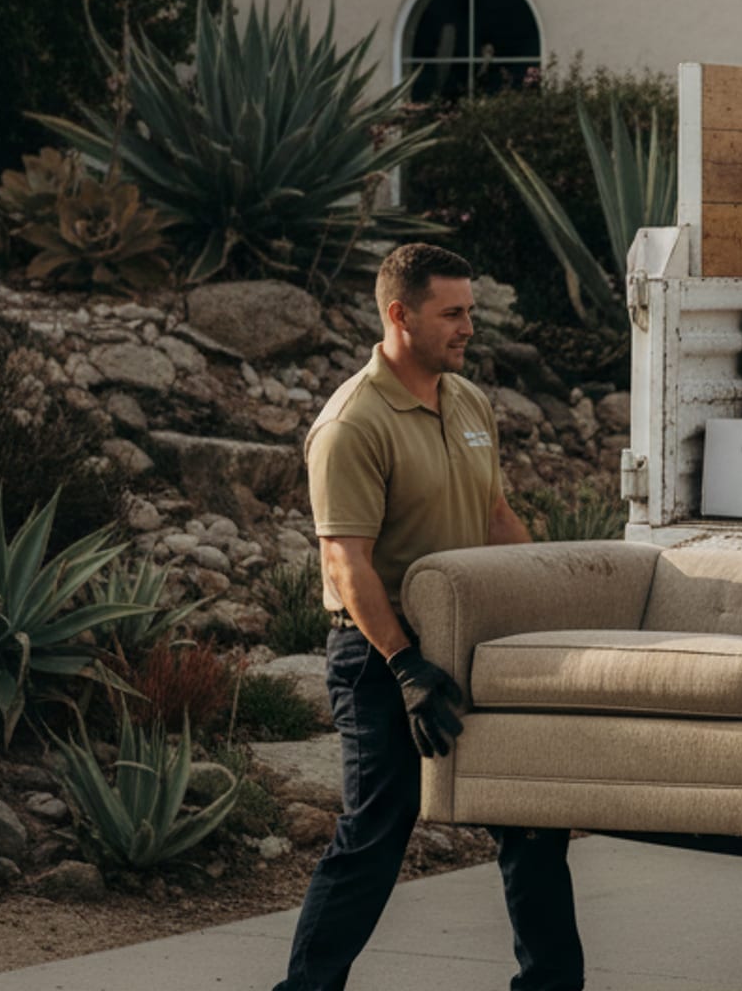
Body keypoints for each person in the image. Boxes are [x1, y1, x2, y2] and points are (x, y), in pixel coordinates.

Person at [275, 243, 584, 991]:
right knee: (377, 832)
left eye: (470, 311)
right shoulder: (352, 423)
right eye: (452, 313)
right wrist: (405, 664)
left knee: (530, 820)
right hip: (383, 658)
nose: (468, 327)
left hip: (476, 643)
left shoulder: (468, 400)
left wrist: (551, 605)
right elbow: (346, 564)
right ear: (400, 315)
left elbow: (495, 515)